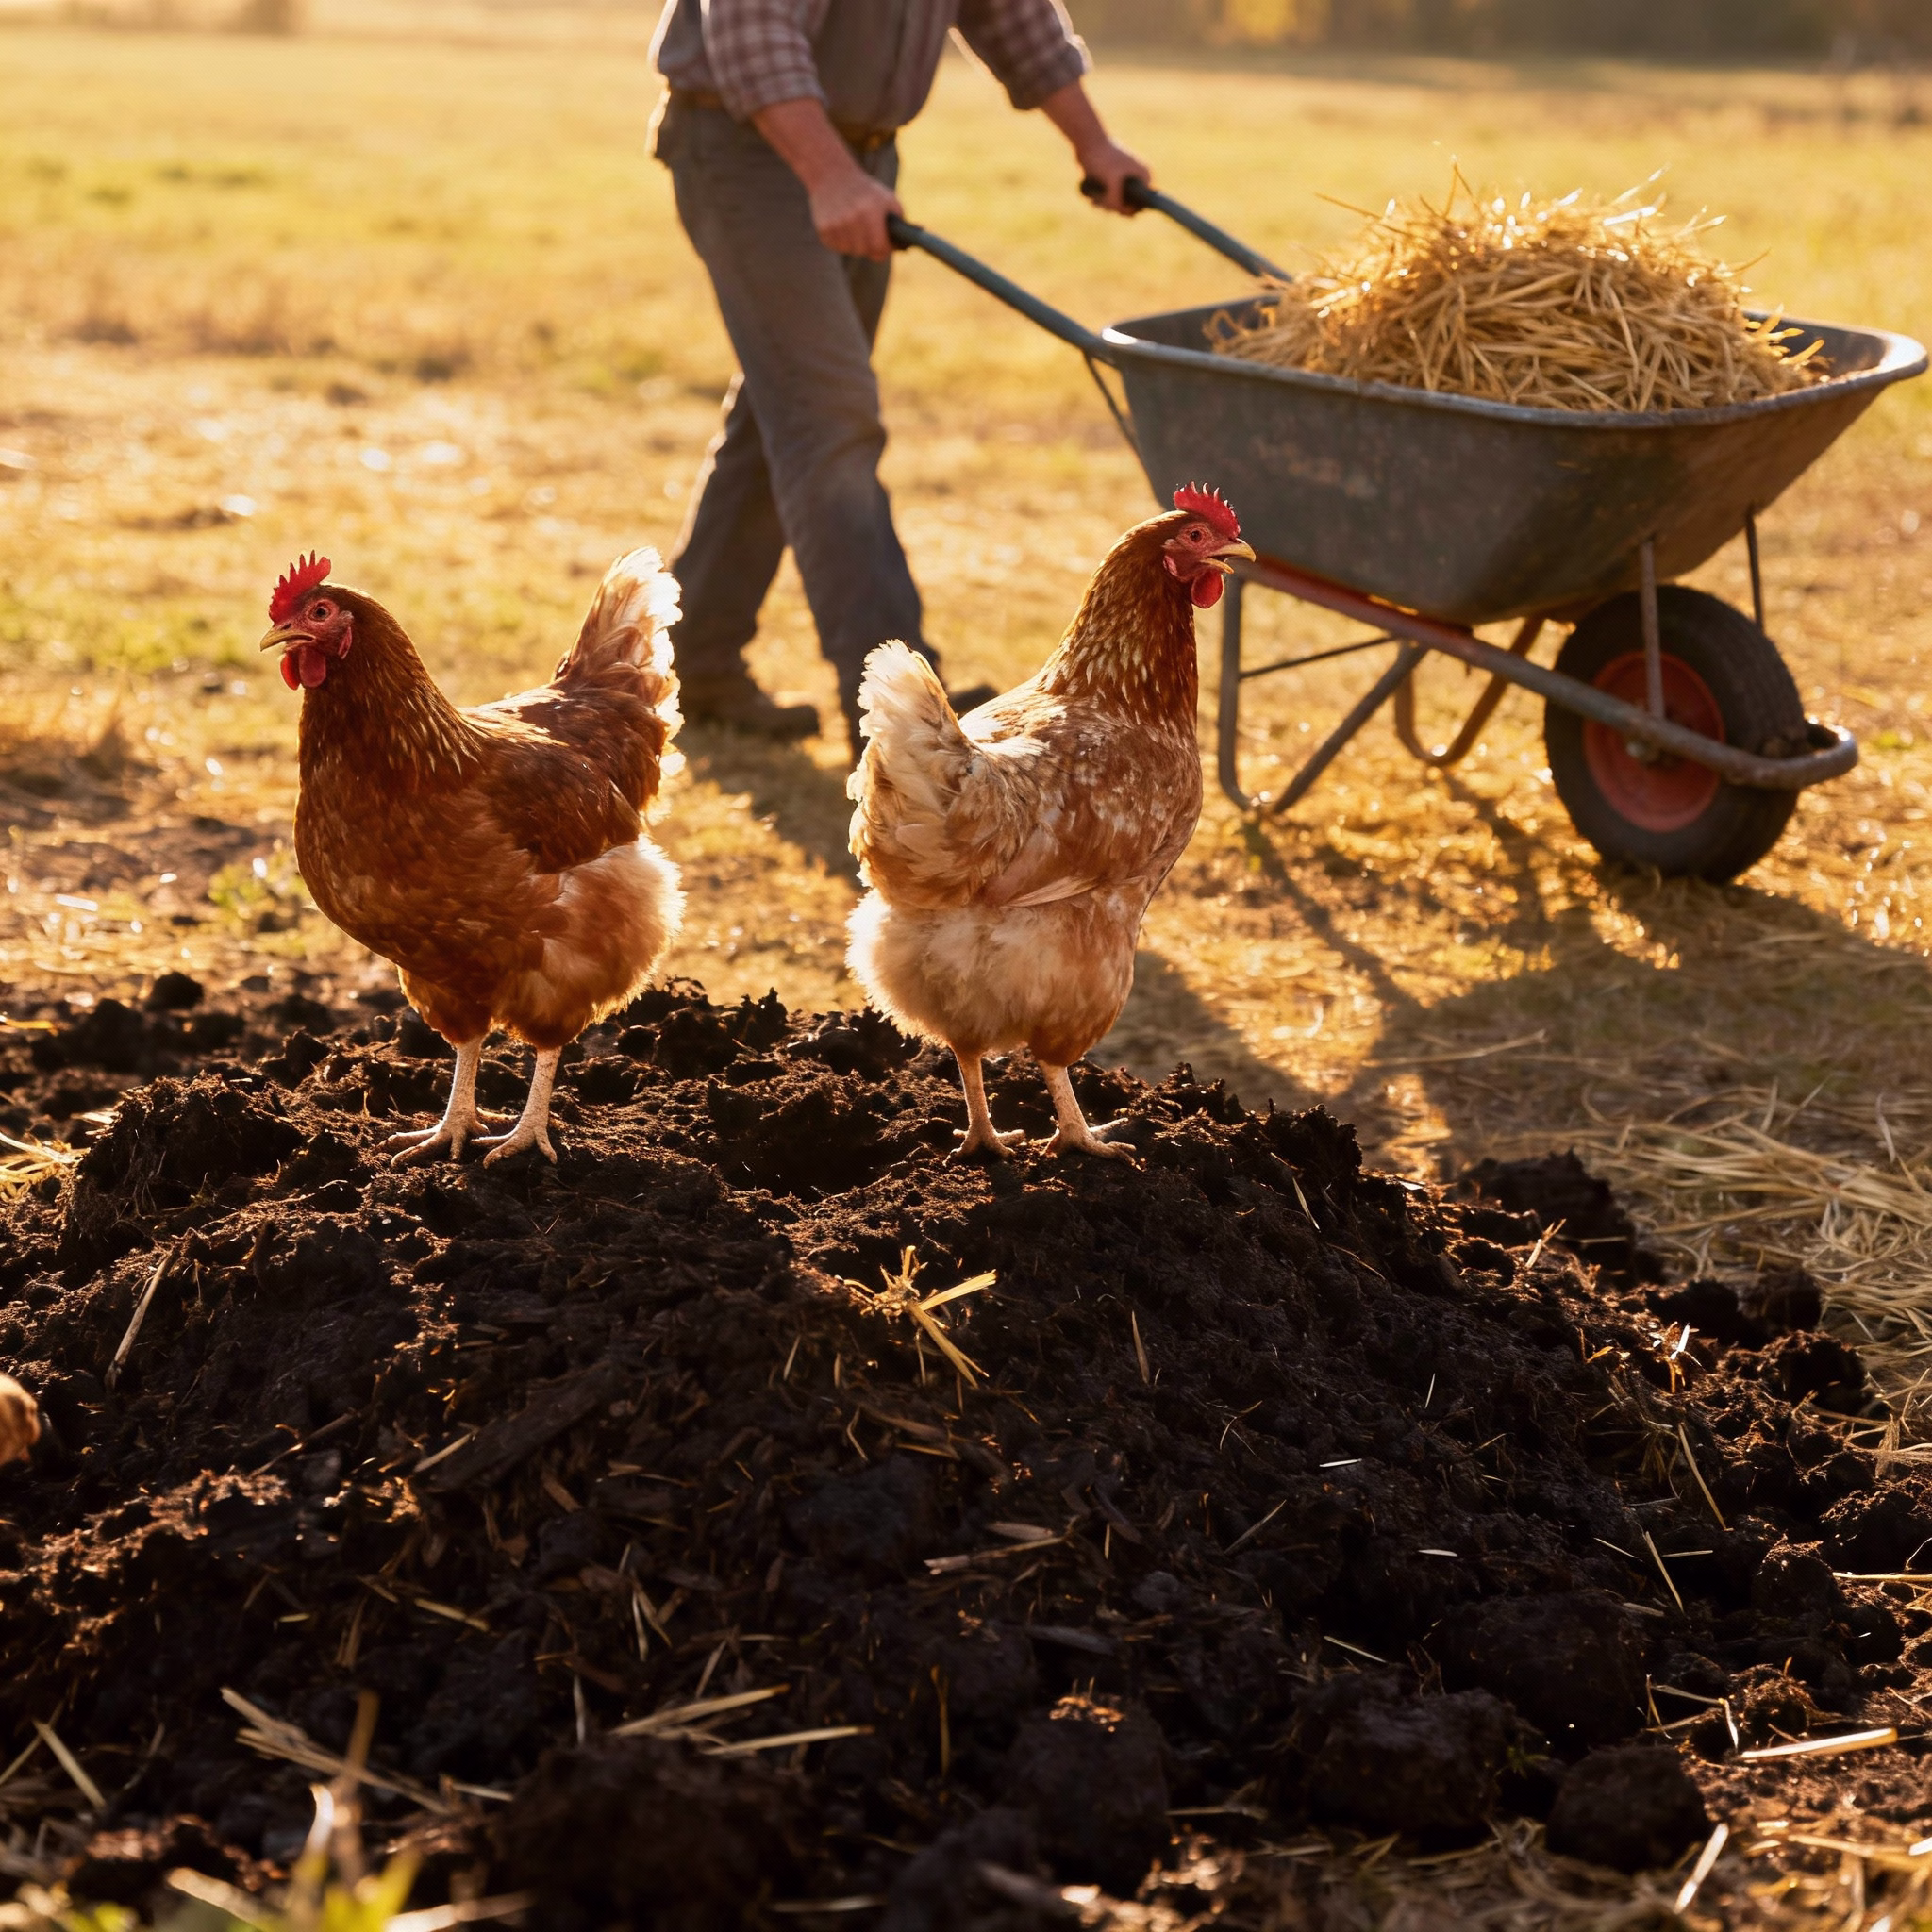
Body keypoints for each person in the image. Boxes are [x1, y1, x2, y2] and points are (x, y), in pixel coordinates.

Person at [650, 0, 1150, 757]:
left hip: (859, 157)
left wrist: (1094, 143)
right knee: (828, 417)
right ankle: (900, 719)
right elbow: (752, 32)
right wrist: (831, 177)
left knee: (789, 411)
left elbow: (1011, 15)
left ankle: (700, 662)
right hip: (755, 148)